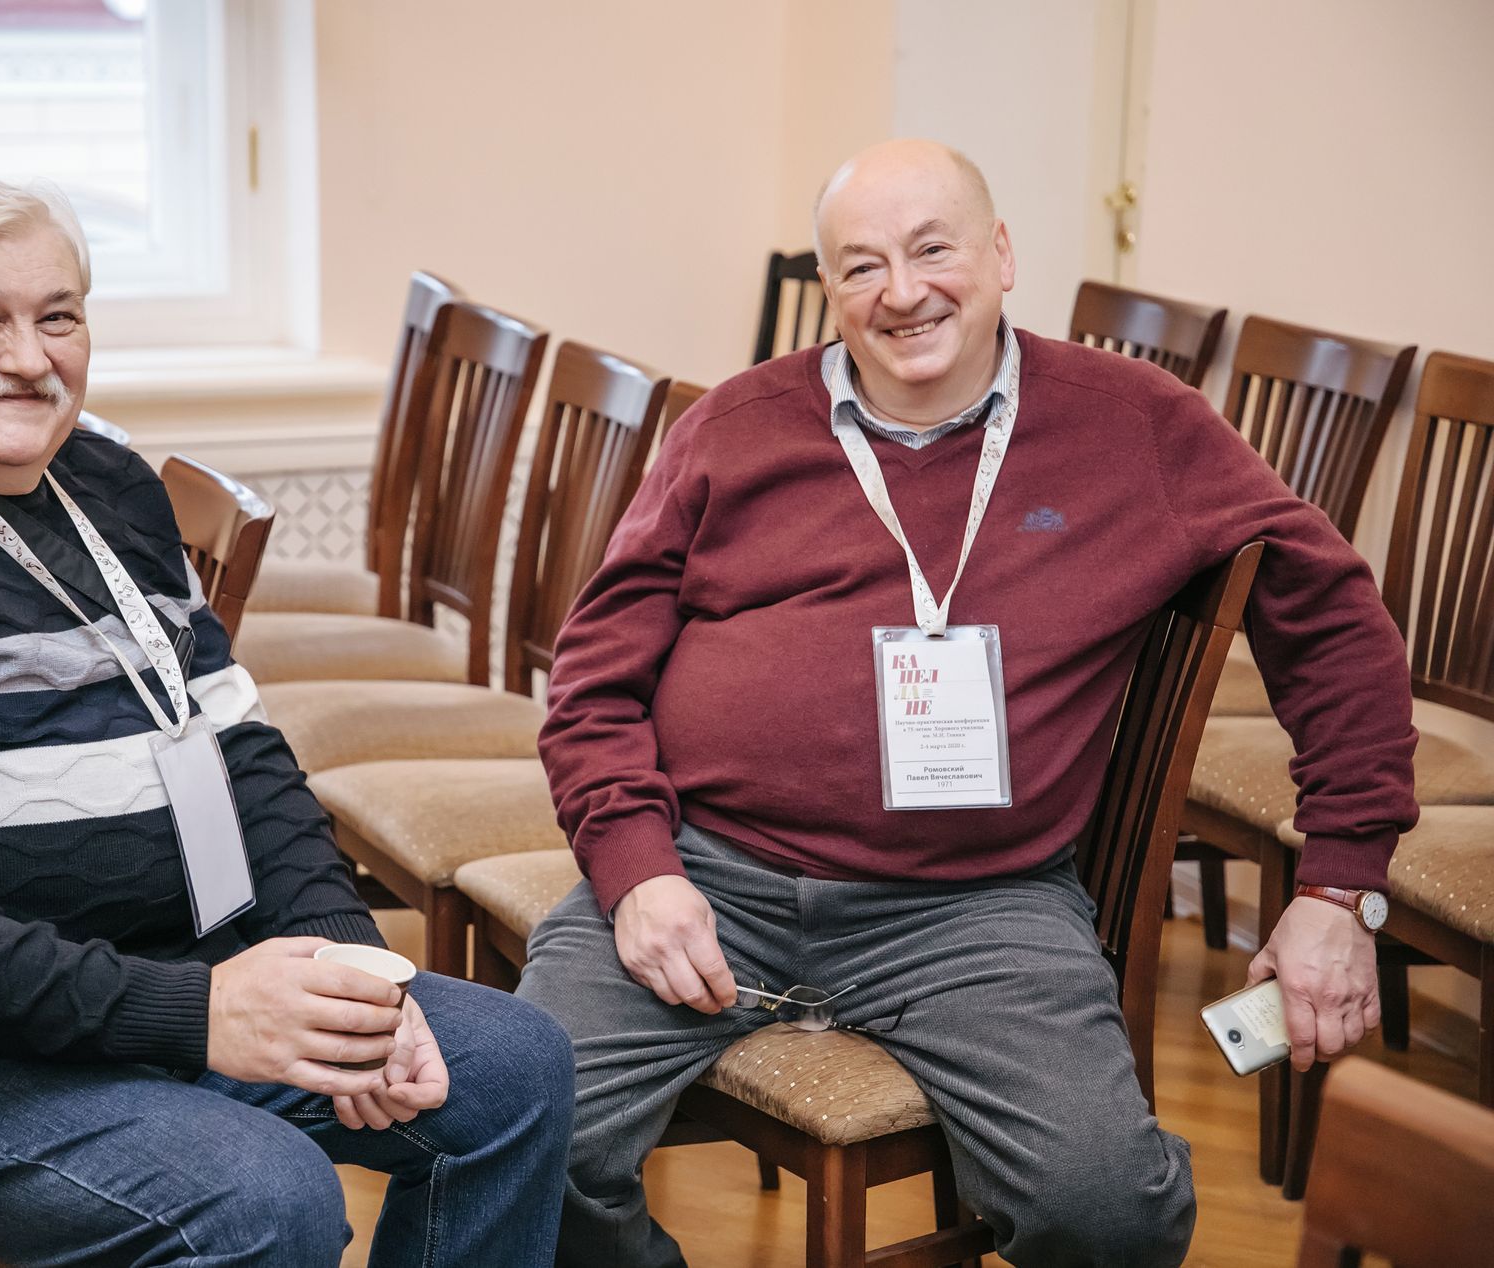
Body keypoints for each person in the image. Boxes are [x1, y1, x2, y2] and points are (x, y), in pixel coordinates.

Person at [519, 138, 1415, 1267]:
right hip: (709, 876)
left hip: (975, 909)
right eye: (862, 265)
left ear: (1001, 255)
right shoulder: (734, 426)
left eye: (932, 250)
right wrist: (637, 869)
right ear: (829, 287)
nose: (901, 292)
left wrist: (1340, 883)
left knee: (1107, 1208)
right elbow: (594, 676)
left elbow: (1331, 616)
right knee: (522, 1135)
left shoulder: (1134, 424)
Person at [0, 170, 572, 1268]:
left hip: (163, 981)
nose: (29, 357)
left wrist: (353, 973)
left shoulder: (103, 485)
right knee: (263, 1194)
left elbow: (243, 756)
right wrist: (197, 1012)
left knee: (513, 1069)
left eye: (59, 316)